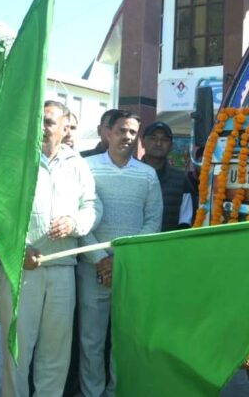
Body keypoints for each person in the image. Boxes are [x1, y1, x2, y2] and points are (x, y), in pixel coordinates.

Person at [0, 100, 102, 396]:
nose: (43, 128)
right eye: (39, 121)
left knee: (55, 355)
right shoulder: (14, 160)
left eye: (50, 122)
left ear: (64, 127)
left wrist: (74, 222)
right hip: (21, 270)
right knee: (16, 352)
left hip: (62, 270)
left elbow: (93, 205)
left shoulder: (76, 163)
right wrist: (16, 251)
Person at [80, 110, 163, 397]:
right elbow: (79, 216)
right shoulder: (86, 168)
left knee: (123, 339)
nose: (127, 137)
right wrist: (101, 259)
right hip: (93, 269)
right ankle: (92, 392)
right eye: (121, 131)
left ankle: (116, 391)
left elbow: (153, 222)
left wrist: (120, 260)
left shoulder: (148, 174)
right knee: (91, 339)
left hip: (131, 269)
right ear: (107, 133)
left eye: (132, 132)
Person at [141, 121, 194, 231]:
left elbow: (185, 220)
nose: (158, 143)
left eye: (164, 140)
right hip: (135, 243)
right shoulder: (132, 174)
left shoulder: (181, 179)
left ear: (171, 145)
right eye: (153, 138)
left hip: (168, 243)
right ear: (143, 142)